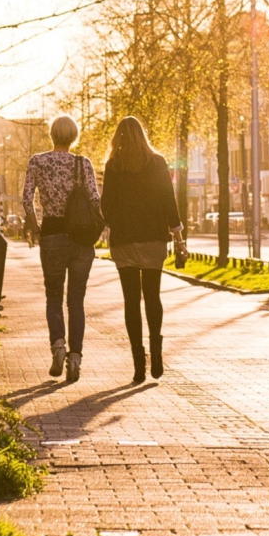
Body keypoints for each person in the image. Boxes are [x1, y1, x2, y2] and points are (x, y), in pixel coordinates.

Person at [100, 116, 184, 385]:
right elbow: (168, 201)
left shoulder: (113, 166)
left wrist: (114, 224)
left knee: (131, 301)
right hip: (153, 239)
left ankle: (139, 363)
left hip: (124, 240)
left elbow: (107, 206)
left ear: (118, 137)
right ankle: (157, 352)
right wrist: (177, 235)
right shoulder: (157, 162)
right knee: (153, 296)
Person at [22, 115, 102, 384]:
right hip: (81, 238)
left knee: (54, 295)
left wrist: (35, 229)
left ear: (52, 134)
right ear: (74, 136)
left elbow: (26, 199)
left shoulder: (37, 161)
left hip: (52, 235)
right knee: (76, 299)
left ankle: (58, 345)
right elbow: (94, 200)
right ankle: (75, 358)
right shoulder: (83, 163)